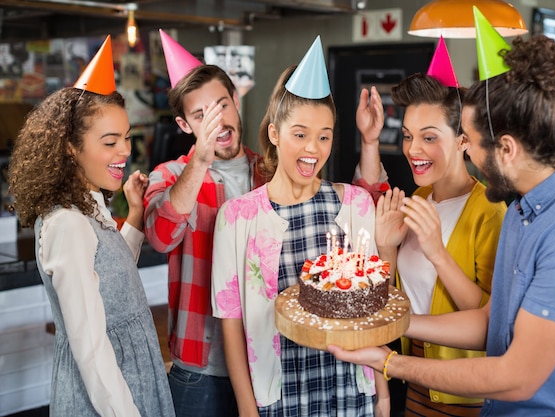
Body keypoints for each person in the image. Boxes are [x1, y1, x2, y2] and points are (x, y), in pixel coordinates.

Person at [328, 20, 555, 417]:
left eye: (467, 139)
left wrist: (388, 363)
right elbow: (490, 324)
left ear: (506, 149)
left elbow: (516, 376)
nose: (466, 150)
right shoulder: (526, 210)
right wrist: (392, 325)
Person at [211, 36, 390, 417]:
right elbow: (231, 324)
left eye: (324, 136)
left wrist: (383, 397)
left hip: (349, 391)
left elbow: (372, 312)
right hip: (278, 396)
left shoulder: (355, 205)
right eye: (300, 134)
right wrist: (247, 408)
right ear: (275, 134)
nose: (314, 148)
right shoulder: (236, 218)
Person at [8, 36, 175, 417]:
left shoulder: (88, 205)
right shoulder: (66, 223)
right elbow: (89, 346)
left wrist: (133, 215)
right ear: (71, 147)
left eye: (127, 139)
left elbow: (113, 277)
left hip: (129, 376)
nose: (124, 152)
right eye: (110, 142)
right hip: (106, 395)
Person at [356, 38, 506, 416]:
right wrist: (386, 251)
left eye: (428, 138)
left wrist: (438, 253)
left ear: (463, 140)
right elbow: (391, 303)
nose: (413, 150)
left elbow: (492, 319)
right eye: (407, 136)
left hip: (463, 394)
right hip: (411, 381)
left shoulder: (490, 211)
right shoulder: (418, 200)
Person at [143, 30, 263, 416]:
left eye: (222, 105)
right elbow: (161, 238)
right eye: (201, 115)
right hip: (201, 371)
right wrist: (200, 162)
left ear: (236, 101)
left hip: (267, 358)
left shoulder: (269, 172)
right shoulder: (169, 175)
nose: (219, 121)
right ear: (183, 124)